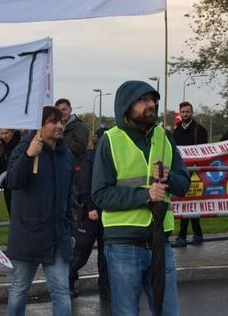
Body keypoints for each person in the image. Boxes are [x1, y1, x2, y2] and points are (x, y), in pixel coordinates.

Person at [92, 81, 190, 316]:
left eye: (153, 100)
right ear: (127, 105)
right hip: (124, 245)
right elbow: (100, 194)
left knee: (169, 312)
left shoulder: (164, 137)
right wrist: (145, 195)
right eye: (143, 100)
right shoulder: (111, 140)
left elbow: (184, 183)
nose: (151, 104)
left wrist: (168, 178)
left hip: (161, 243)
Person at [5, 106, 74, 316]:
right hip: (28, 235)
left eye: (61, 122)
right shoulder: (23, 149)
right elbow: (13, 181)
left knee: (62, 292)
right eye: (53, 122)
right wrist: (28, 156)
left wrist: (70, 229)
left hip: (56, 236)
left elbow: (69, 195)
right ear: (39, 126)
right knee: (19, 289)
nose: (60, 126)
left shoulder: (66, 155)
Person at [68, 127, 110, 301]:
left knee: (105, 252)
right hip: (91, 211)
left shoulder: (108, 158)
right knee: (82, 250)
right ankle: (66, 281)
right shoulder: (90, 158)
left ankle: (106, 289)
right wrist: (91, 207)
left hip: (106, 211)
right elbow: (85, 185)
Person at [172, 101, 208, 247]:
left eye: (187, 111)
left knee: (188, 201)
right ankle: (198, 233)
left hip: (195, 171)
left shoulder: (199, 130)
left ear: (192, 112)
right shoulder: (177, 130)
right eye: (183, 112)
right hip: (181, 170)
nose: (185, 114)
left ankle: (182, 236)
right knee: (188, 201)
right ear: (180, 113)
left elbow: (204, 150)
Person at [0, 128, 21, 215]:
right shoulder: (1, 144)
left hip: (17, 184)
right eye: (2, 133)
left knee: (18, 212)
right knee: (10, 211)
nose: (4, 136)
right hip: (6, 183)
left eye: (6, 133)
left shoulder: (20, 144)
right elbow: (1, 162)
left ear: (13, 132)